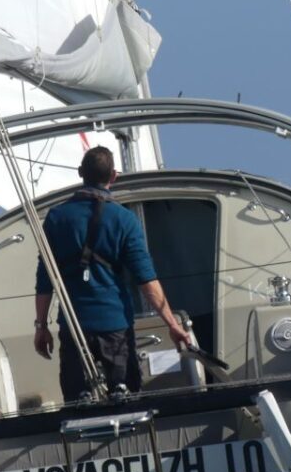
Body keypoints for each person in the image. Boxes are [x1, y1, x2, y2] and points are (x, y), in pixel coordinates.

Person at [34, 146, 191, 401]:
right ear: (114, 176)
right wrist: (172, 324)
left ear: (80, 173)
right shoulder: (124, 219)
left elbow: (45, 279)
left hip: (74, 327)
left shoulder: (56, 218)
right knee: (126, 400)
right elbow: (146, 279)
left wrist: (41, 326)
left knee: (78, 404)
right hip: (115, 326)